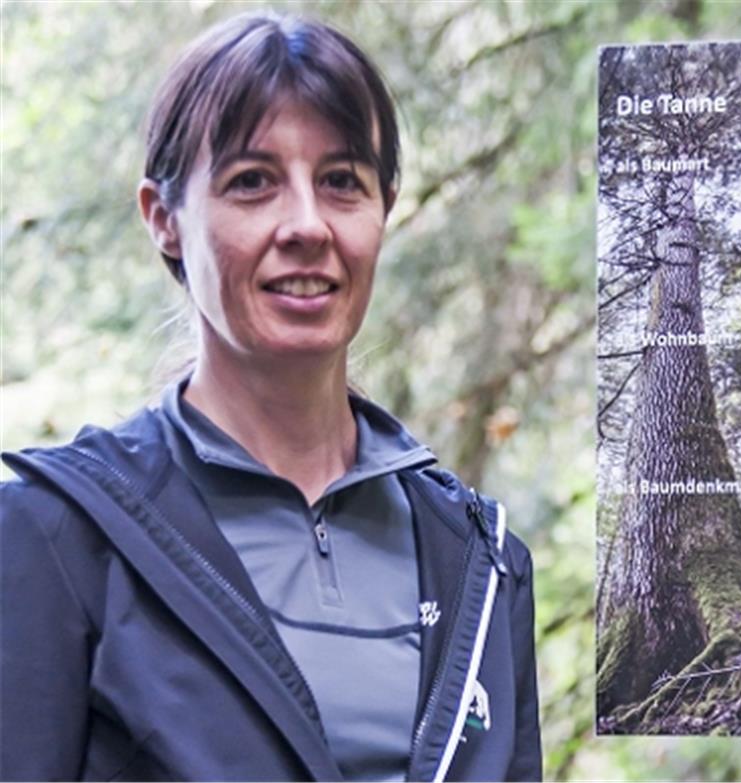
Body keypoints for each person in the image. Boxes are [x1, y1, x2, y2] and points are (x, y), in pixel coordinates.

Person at [0, 12, 540, 782]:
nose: (307, 225)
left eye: (341, 182)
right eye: (252, 182)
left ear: (383, 208)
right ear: (164, 220)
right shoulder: (58, 535)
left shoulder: (479, 559)